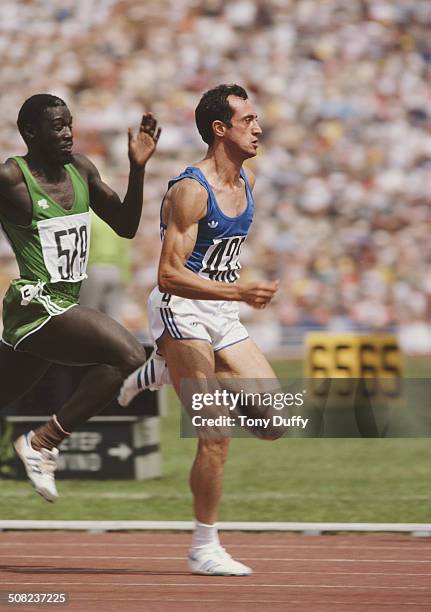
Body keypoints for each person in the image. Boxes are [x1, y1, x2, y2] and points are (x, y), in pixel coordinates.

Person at [119, 84, 280, 576]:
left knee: (273, 420)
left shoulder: (246, 183)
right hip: (180, 308)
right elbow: (167, 275)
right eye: (248, 120)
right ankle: (204, 546)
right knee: (215, 430)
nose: (258, 127)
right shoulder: (191, 190)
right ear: (220, 129)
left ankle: (164, 370)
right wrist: (238, 293)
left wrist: (231, 299)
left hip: (220, 315)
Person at [0, 93, 160, 502]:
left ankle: (42, 442)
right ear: (30, 133)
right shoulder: (11, 178)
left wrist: (137, 169)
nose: (68, 132)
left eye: (69, 123)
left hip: (64, 304)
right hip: (36, 304)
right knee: (128, 355)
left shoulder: (82, 170)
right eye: (57, 126)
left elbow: (125, 225)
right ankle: (42, 443)